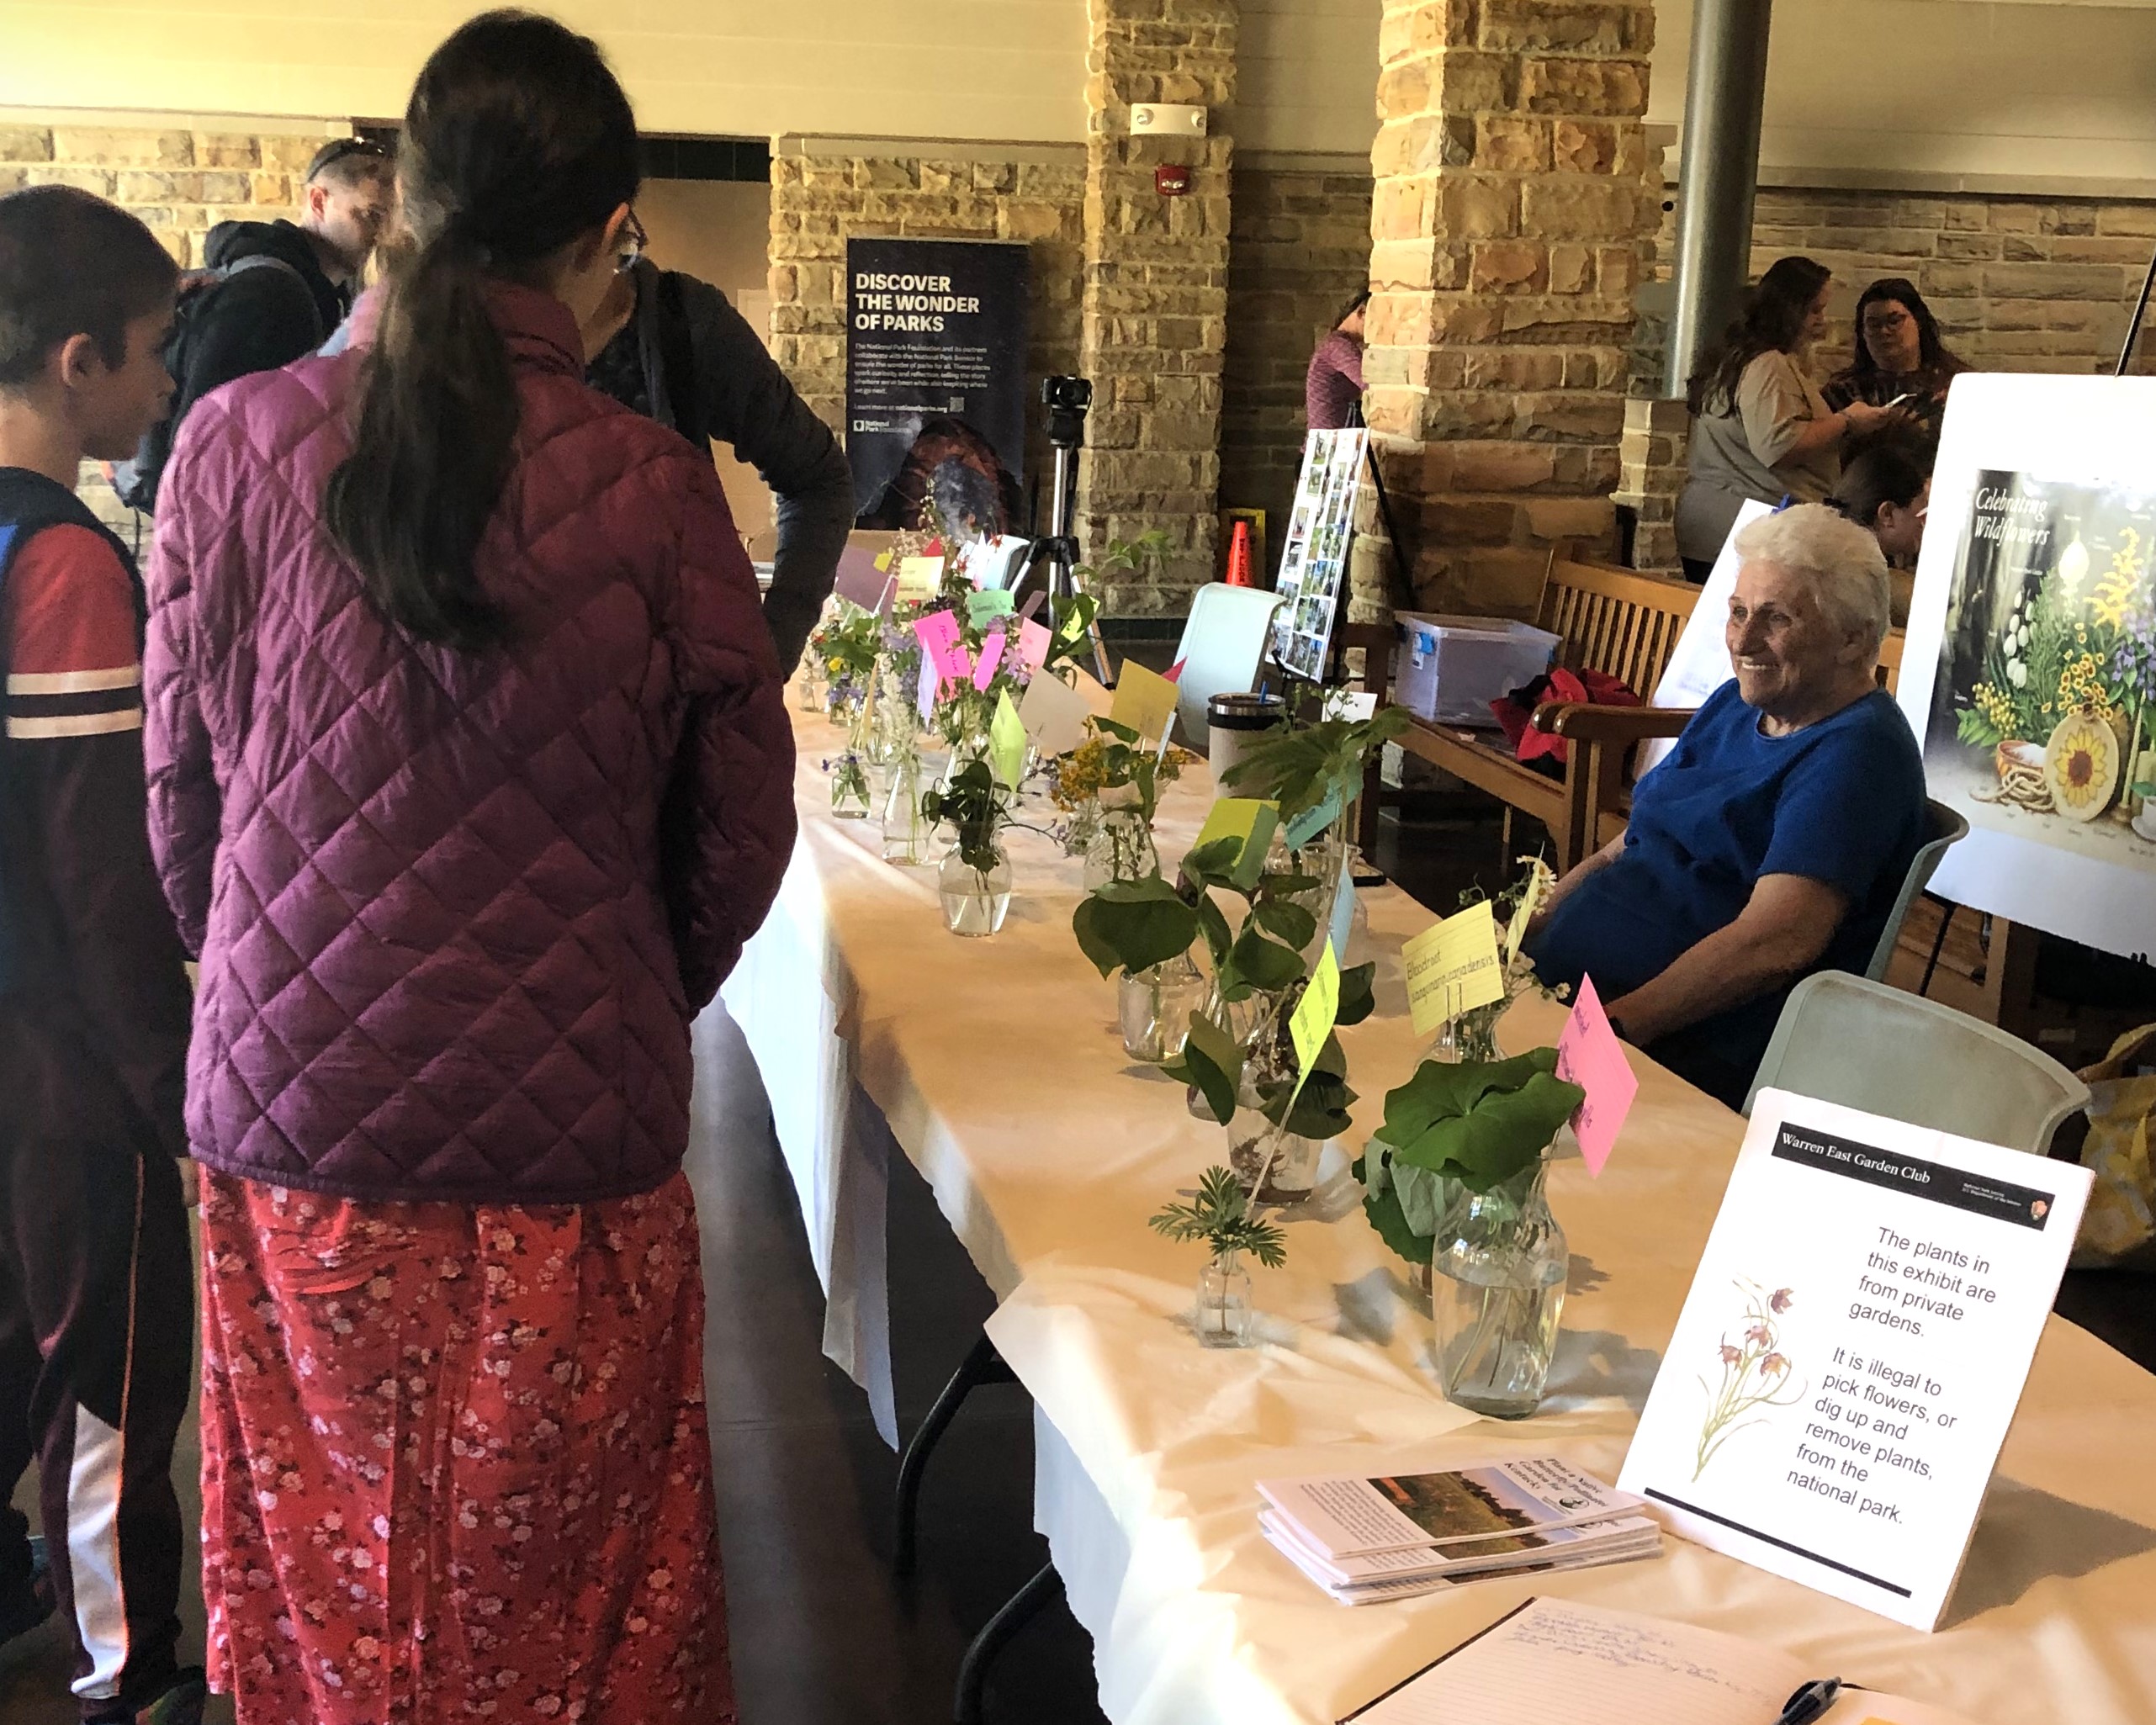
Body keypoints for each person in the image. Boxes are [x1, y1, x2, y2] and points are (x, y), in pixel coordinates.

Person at [142, 14, 796, 1722]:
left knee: (317, 1576)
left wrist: (267, 967)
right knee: (576, 1588)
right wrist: (631, 987)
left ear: (400, 203)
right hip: (570, 1131)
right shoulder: (654, 488)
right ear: (609, 236)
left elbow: (182, 798)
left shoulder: (227, 445)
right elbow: (739, 825)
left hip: (289, 1111)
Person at [0, 187, 203, 1725]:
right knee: (115, 1375)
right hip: (66, 1049)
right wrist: (167, 1076)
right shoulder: (65, 561)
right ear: (79, 362)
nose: (161, 382)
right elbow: (99, 865)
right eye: (149, 351)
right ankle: (130, 1672)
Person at [1525, 505, 1926, 1109]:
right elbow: (1627, 844)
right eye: (1737, 612)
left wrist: (1617, 1030)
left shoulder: (1857, 753)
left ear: (1852, 637)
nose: (1741, 639)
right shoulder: (1736, 705)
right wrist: (1527, 927)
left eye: (1776, 618)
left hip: (1676, 1045)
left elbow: (1773, 942)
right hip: (1563, 992)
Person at [583, 253, 853, 669]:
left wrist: (769, 656)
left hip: (665, 705)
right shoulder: (460, 331)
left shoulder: (679, 322)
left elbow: (817, 478)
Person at [117, 135, 393, 511]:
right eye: (373, 216)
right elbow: (201, 445)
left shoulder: (321, 295)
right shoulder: (269, 298)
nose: (386, 235)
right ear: (318, 201)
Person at [1676, 257, 1897, 581]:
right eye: (1814, 310)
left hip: (1717, 522)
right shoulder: (1768, 365)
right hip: (1749, 529)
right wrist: (1848, 420)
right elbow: (1778, 445)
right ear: (1790, 309)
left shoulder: (1736, 357)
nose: (1823, 320)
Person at [1824, 277, 1968, 444]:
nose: (1884, 331)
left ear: (1918, 321)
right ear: (1862, 332)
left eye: (1894, 321)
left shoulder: (1958, 387)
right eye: (1874, 325)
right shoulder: (1841, 392)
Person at [1828, 441, 1931, 625]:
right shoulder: (1870, 583)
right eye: (1924, 509)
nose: (1927, 522)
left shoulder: (1829, 545)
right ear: (1887, 514)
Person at [1306, 287, 1368, 431]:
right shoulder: (1338, 345)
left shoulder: (1335, 343)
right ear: (1361, 312)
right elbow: (1368, 381)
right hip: (1328, 448)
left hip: (1327, 444)